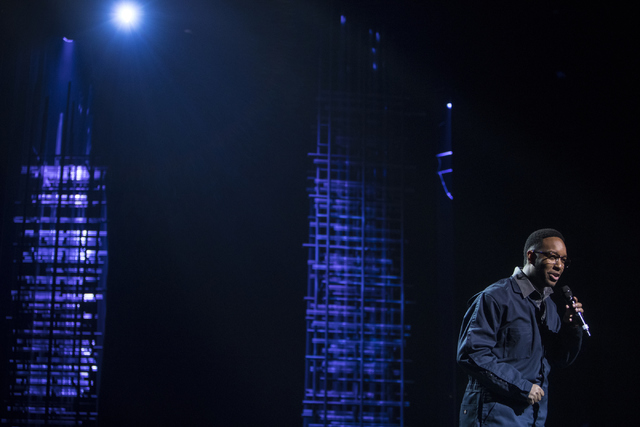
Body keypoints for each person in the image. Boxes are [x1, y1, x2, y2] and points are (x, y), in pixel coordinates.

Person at [457, 228, 585, 426]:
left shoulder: (549, 306)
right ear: (531, 256)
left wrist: (572, 328)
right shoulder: (496, 297)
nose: (559, 266)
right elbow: (472, 353)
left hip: (532, 418)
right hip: (495, 416)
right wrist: (523, 387)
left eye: (563, 260)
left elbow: (558, 359)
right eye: (553, 257)